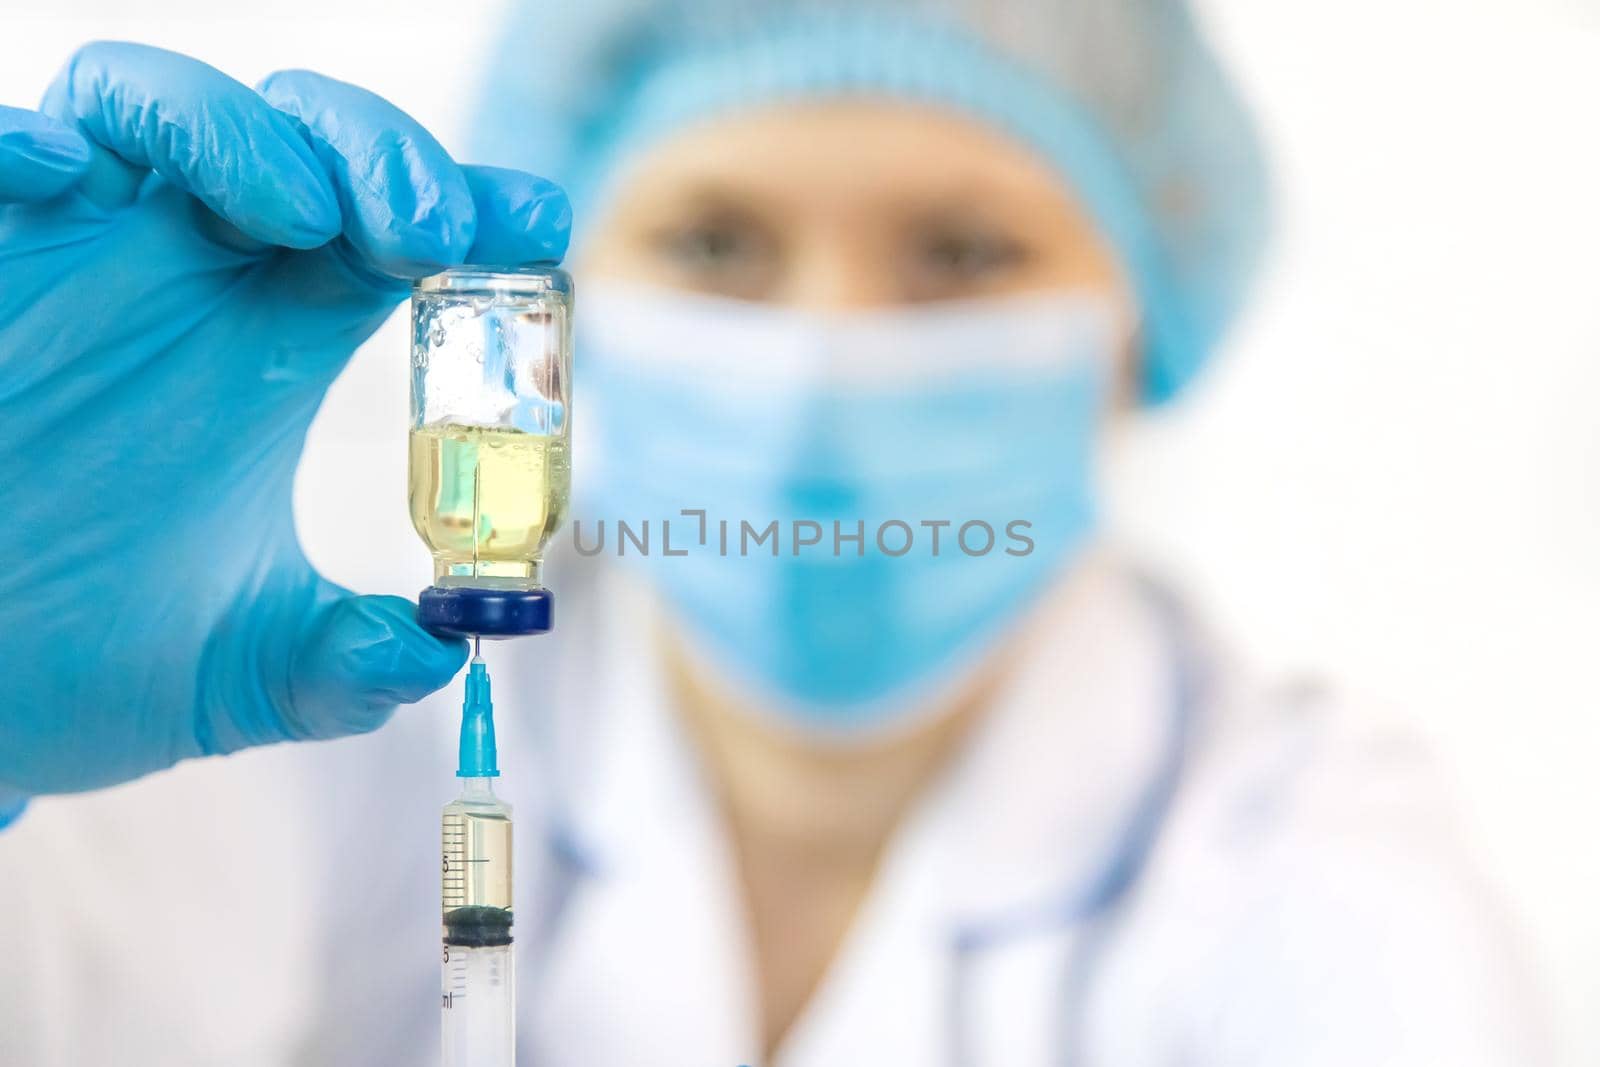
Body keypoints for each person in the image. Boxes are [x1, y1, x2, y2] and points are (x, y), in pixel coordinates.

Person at [0, 3, 1547, 1065]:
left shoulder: (1307, 871)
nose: (825, 364)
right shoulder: (328, 713)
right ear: (568, 311)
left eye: (962, 251)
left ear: (1145, 331)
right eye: (717, 240)